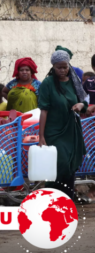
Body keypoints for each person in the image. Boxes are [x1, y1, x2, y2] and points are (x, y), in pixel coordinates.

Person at [39, 51, 88, 199]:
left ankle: (67, 198)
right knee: (60, 164)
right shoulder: (47, 83)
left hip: (71, 131)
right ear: (53, 67)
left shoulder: (74, 81)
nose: (62, 70)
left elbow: (84, 101)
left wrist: (81, 105)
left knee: (71, 164)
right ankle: (51, 197)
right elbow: (44, 111)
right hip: (54, 131)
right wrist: (41, 135)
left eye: (65, 67)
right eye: (59, 67)